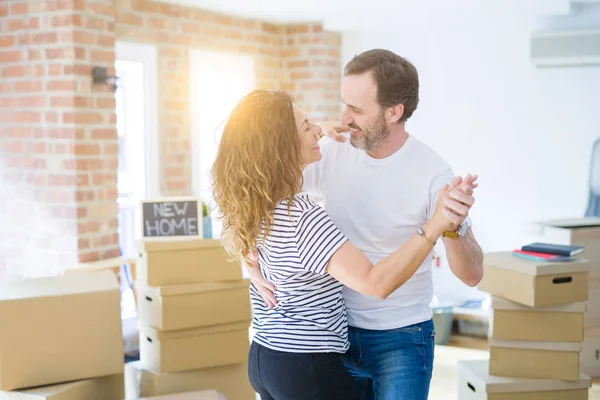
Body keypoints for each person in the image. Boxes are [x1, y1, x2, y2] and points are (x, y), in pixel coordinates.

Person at [211, 89, 478, 400]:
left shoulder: (255, 205)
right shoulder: (303, 218)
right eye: (305, 125)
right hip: (305, 365)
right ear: (281, 146)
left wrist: (314, 126)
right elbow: (374, 283)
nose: (319, 130)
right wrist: (434, 227)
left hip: (265, 356)